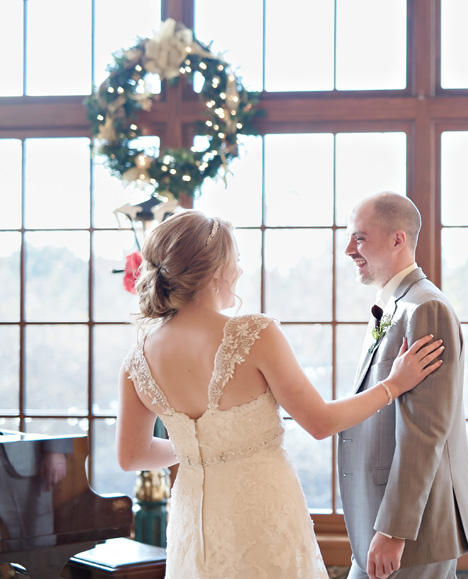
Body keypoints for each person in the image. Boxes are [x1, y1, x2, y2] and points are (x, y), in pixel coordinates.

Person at [116, 209, 444, 579]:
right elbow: (320, 423)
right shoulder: (253, 334)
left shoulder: (136, 360)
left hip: (193, 524)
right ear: (216, 271)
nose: (238, 271)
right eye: (235, 260)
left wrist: (201, 447)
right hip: (262, 515)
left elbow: (132, 456)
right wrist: (393, 385)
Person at [339, 192, 468, 579]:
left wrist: (393, 529)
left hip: (412, 529)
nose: (348, 249)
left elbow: (426, 429)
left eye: (359, 238)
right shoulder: (397, 305)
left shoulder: (425, 308)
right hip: (381, 516)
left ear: (397, 239)